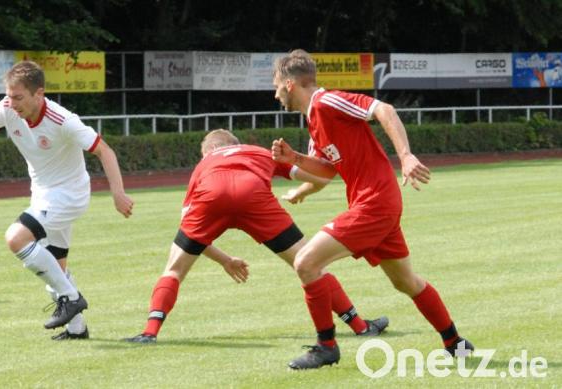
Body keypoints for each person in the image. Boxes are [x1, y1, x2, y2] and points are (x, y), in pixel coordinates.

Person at [270, 49, 473, 370]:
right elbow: (327, 170)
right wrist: (295, 162)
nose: (275, 93)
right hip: (377, 204)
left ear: (290, 84)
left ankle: (326, 347)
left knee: (306, 263)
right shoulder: (313, 120)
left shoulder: (326, 102)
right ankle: (455, 343)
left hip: (374, 203)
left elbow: (384, 110)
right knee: (405, 282)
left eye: (276, 85)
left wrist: (405, 156)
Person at [124, 129, 388, 344]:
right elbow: (319, 178)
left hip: (211, 195)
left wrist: (224, 260)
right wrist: (301, 192)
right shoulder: (257, 151)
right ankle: (360, 326)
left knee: (174, 269)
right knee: (310, 263)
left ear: (209, 150)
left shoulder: (205, 164)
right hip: (255, 196)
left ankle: (149, 332)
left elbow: (188, 228)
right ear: (235, 144)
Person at [0, 60, 134, 340]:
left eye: (18, 97)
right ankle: (77, 328)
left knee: (16, 238)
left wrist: (118, 193)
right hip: (43, 193)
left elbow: (105, 150)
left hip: (69, 195)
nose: (12, 103)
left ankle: (71, 298)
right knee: (55, 265)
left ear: (39, 94)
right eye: (9, 96)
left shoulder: (62, 120)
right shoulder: (7, 108)